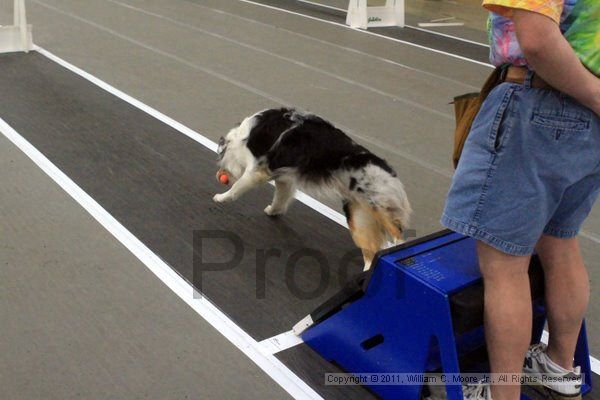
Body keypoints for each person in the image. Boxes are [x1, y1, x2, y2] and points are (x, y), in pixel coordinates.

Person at [441, 0, 600, 399]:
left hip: (541, 102)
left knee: (504, 264)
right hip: (590, 127)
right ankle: (558, 366)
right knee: (560, 240)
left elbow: (537, 39)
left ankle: (502, 394)